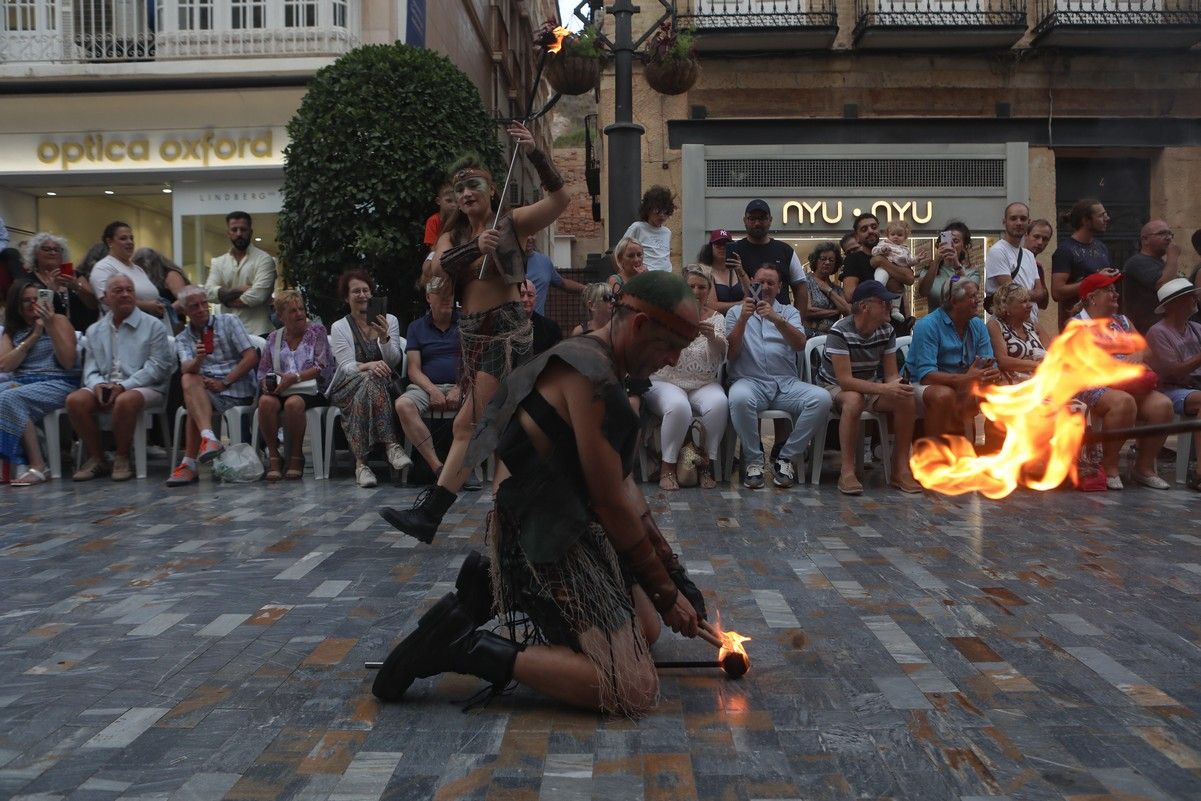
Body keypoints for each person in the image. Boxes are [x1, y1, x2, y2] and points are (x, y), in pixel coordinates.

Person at [371, 271, 705, 717]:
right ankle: (465, 646)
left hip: (568, 523)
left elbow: (626, 492)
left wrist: (673, 576)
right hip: (543, 539)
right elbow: (611, 504)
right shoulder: (592, 376)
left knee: (645, 632)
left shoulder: (601, 365)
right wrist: (665, 593)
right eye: (669, 347)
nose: (669, 361)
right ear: (639, 325)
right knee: (634, 686)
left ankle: (487, 593)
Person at [380, 127, 569, 540]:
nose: (466, 193)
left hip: (506, 337)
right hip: (472, 339)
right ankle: (504, 516)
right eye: (459, 188)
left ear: (490, 188)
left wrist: (536, 154)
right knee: (501, 427)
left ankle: (432, 513)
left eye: (474, 185)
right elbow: (436, 268)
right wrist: (474, 249)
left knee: (469, 425)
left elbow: (560, 200)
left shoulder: (512, 222)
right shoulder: (454, 235)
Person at [725, 265, 831, 489]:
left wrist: (777, 320)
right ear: (752, 281)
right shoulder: (736, 312)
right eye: (761, 282)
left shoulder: (789, 312)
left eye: (771, 283)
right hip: (750, 381)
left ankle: (786, 458)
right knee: (739, 397)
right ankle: (754, 462)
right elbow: (731, 353)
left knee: (822, 399)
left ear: (780, 287)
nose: (765, 287)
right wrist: (743, 320)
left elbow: (800, 344)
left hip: (786, 384)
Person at [815, 280, 922, 495]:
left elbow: (891, 374)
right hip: (833, 386)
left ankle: (900, 468)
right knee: (853, 399)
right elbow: (845, 381)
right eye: (883, 302)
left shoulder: (887, 330)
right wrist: (884, 389)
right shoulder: (840, 332)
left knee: (906, 398)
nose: (890, 306)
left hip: (869, 386)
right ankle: (847, 471)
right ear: (865, 306)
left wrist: (898, 386)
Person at [65, 274, 175, 481]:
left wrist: (123, 386)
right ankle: (98, 458)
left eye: (129, 290)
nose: (125, 294)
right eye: (118, 290)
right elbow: (90, 368)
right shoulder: (95, 330)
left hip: (146, 386)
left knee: (125, 400)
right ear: (106, 297)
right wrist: (98, 386)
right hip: (106, 383)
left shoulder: (153, 326)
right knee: (75, 400)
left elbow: (157, 368)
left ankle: (122, 456)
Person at [1070, 272, 1172, 489]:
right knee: (1123, 402)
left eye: (1115, 289)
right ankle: (1110, 464)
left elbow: (1146, 349)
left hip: (1130, 382)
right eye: (1109, 290)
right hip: (1093, 384)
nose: (1115, 294)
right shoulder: (1077, 325)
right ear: (1092, 297)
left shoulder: (1122, 321)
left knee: (1163, 405)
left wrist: (1139, 356)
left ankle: (1143, 468)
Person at [643, 264, 728, 491]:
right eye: (691, 286)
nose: (697, 291)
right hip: (666, 381)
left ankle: (705, 465)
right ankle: (667, 468)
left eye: (702, 286)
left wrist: (712, 337)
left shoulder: (716, 318)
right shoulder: (666, 313)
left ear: (709, 289)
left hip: (702, 382)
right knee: (679, 406)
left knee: (719, 403)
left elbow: (722, 349)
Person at [167, 286, 258, 486]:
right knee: (189, 378)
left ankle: (189, 464)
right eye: (194, 306)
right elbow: (186, 367)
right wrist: (199, 360)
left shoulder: (228, 322)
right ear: (185, 311)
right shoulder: (183, 338)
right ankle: (208, 437)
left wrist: (224, 382)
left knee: (192, 401)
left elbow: (251, 357)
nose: (200, 309)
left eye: (203, 304)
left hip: (236, 387)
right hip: (206, 393)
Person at [327, 270, 410, 488]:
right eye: (356, 291)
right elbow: (345, 368)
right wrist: (368, 365)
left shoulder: (388, 320)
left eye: (366, 290)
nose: (362, 295)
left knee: (371, 384)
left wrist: (384, 338)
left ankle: (361, 465)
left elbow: (393, 362)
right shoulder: (339, 327)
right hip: (348, 386)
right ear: (347, 297)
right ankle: (391, 445)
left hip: (381, 384)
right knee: (370, 379)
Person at [0, 279, 80, 485]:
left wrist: (50, 325)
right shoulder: (12, 331)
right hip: (23, 383)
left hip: (59, 381)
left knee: (10, 397)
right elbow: (5, 365)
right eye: (25, 301)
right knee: (8, 394)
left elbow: (68, 361)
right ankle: (15, 463)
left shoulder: (60, 320)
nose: (32, 304)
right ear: (16, 305)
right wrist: (34, 336)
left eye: (37, 299)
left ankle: (37, 464)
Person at [255, 289, 333, 481]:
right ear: (281, 316)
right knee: (265, 402)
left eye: (301, 309)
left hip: (311, 388)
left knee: (293, 404)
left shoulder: (317, 331)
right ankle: (274, 457)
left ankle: (296, 457)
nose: (299, 313)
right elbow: (263, 370)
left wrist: (296, 377)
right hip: (282, 389)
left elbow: (322, 366)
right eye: (292, 311)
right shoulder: (274, 337)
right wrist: (266, 383)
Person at [907, 280, 997, 440]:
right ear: (954, 301)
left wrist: (989, 375)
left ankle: (987, 454)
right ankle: (936, 456)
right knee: (944, 395)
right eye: (972, 296)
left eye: (977, 295)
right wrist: (966, 379)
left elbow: (988, 363)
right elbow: (927, 376)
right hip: (920, 386)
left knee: (1000, 390)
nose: (978, 300)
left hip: (963, 382)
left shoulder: (978, 325)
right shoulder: (927, 325)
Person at [395, 277, 460, 480]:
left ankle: (467, 466)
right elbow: (413, 370)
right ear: (428, 297)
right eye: (441, 295)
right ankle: (438, 467)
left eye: (449, 294)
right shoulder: (416, 327)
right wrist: (432, 390)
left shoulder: (466, 323)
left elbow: (474, 365)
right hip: (425, 386)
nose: (447, 299)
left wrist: (459, 387)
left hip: (462, 385)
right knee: (403, 405)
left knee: (482, 401)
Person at [1146, 278, 1201, 489]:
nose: (1195, 299)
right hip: (1171, 390)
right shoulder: (1158, 332)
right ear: (1174, 303)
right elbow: (1174, 372)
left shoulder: (1195, 327)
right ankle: (1199, 473)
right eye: (1190, 296)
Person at [203, 211, 277, 336]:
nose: (239, 234)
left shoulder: (264, 259)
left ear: (251, 232)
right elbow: (208, 292)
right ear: (228, 233)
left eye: (243, 229)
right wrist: (239, 290)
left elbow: (259, 295)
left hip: (258, 332)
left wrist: (225, 297)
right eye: (234, 229)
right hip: (227, 334)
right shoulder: (218, 262)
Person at [727, 199, 805, 307]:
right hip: (744, 320)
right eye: (752, 218)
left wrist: (797, 321)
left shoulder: (786, 250)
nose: (757, 223)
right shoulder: (735, 250)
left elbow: (800, 288)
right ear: (745, 220)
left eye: (762, 218)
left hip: (779, 320)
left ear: (770, 220)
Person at [1052, 199, 1115, 329]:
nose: (1107, 218)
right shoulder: (1065, 250)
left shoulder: (1101, 247)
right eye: (1101, 215)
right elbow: (1057, 292)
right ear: (1086, 221)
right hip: (1077, 324)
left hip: (1102, 322)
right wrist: (1094, 280)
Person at [22, 232, 99, 331]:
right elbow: (35, 314)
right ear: (36, 253)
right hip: (48, 335)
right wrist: (50, 292)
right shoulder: (28, 280)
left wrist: (77, 286)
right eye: (46, 249)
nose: (52, 252)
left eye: (56, 250)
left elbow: (93, 305)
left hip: (80, 334)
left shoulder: (73, 274)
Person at [89, 222, 165, 319]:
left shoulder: (138, 269)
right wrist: (148, 305)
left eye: (131, 238)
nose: (130, 242)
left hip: (151, 324)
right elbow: (108, 300)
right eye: (123, 238)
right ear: (109, 242)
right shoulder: (103, 267)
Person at [985, 202, 1046, 321]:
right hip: (1007, 325)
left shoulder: (1029, 255)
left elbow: (1041, 294)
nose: (1018, 223)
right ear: (1004, 222)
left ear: (1029, 222)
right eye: (1013, 218)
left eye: (1023, 219)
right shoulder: (998, 251)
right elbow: (1012, 293)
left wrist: (1025, 293)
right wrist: (1031, 294)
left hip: (1031, 324)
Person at [1122, 220, 1181, 334]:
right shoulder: (1137, 261)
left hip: (1165, 329)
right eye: (1162, 233)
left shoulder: (1161, 263)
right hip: (1147, 330)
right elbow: (1162, 285)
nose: (1168, 238)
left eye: (1170, 234)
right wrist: (1173, 257)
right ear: (1145, 239)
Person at [986, 282, 1047, 386]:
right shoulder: (995, 326)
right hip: (1014, 385)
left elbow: (1054, 355)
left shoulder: (1035, 327)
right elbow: (1002, 361)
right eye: (1023, 301)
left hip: (1042, 382)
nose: (1030, 305)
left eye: (1029, 301)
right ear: (1006, 307)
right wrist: (1035, 364)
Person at [917, 222, 982, 313]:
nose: (951, 245)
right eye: (946, 241)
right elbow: (923, 292)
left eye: (955, 241)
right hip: (936, 324)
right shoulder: (929, 270)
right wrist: (936, 261)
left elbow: (970, 293)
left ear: (964, 246)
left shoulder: (971, 272)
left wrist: (956, 264)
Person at [870, 218, 920, 327]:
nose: (896, 237)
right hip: (885, 268)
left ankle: (895, 310)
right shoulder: (885, 243)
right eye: (893, 234)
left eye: (899, 235)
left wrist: (917, 259)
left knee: (898, 291)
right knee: (880, 278)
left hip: (898, 273)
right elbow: (874, 252)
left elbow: (909, 261)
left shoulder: (905, 250)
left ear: (905, 237)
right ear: (888, 235)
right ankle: (877, 290)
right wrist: (882, 250)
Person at [798, 242, 852, 337]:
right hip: (810, 336)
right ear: (816, 260)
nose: (827, 262)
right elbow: (807, 310)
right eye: (823, 259)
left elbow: (848, 312)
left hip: (833, 337)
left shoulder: (837, 289)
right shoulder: (806, 280)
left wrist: (829, 290)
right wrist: (836, 311)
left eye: (831, 260)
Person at [132, 247, 189, 330]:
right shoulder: (149, 279)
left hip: (174, 324)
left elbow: (184, 299)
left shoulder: (170, 275)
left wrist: (167, 311)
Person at [523, 235, 583, 315]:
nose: (530, 238)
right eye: (526, 233)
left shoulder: (544, 261)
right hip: (512, 323)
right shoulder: (507, 261)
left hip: (537, 324)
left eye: (533, 234)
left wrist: (587, 289)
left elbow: (562, 283)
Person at [621, 186, 674, 272]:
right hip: (646, 276)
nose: (662, 215)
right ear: (648, 209)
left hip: (666, 277)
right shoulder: (637, 227)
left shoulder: (667, 232)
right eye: (658, 210)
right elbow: (619, 252)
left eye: (666, 211)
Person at [697, 229, 749, 314]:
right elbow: (712, 305)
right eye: (718, 244)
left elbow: (751, 294)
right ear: (711, 247)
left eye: (726, 244)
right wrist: (741, 304)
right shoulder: (705, 271)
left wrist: (741, 271)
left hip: (740, 320)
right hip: (717, 322)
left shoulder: (737, 270)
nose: (722, 247)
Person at [520, 279, 562, 356]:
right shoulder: (503, 327)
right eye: (521, 295)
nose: (525, 299)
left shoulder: (551, 328)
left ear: (535, 300)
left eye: (530, 295)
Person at [422, 182, 457, 249]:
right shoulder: (433, 221)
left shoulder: (460, 220)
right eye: (449, 201)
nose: (453, 205)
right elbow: (432, 247)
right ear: (438, 201)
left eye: (456, 201)